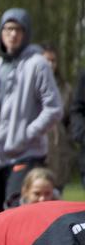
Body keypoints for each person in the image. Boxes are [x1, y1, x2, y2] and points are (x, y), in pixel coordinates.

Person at [0, 8, 62, 212]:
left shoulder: (38, 64)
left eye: (18, 29)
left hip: (26, 153)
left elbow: (54, 108)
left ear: (26, 33)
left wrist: (25, 135)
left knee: (18, 212)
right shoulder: (1, 64)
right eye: (8, 29)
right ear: (0, 32)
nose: (13, 34)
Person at [41, 43, 76, 194]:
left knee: (55, 196)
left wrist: (68, 142)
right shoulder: (29, 85)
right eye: (46, 60)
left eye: (53, 60)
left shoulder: (65, 89)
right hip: (36, 152)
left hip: (59, 152)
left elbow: (71, 120)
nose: (50, 64)